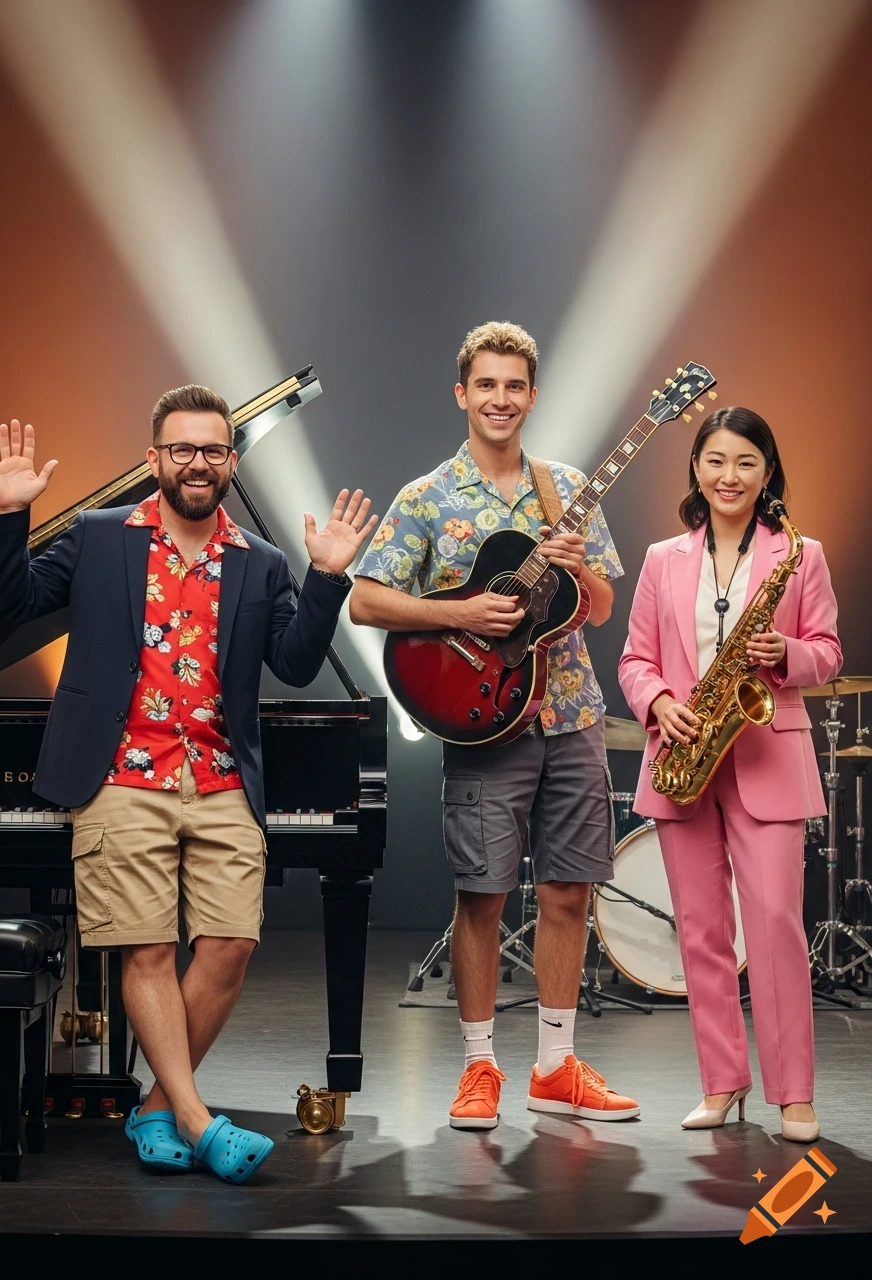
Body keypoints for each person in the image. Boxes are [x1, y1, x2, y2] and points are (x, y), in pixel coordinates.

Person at [0, 385, 377, 1181]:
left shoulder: (260, 564)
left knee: (231, 944)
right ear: (154, 458)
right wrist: (8, 516)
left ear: (232, 461)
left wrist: (328, 577)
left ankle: (157, 1106)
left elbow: (295, 664)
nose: (198, 463)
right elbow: (13, 604)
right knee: (151, 949)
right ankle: (196, 1121)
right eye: (182, 449)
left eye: (213, 450)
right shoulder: (99, 539)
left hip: (222, 778)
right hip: (119, 776)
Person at [350, 321, 640, 1130]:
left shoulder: (566, 487)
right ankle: (480, 1069)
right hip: (484, 723)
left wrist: (579, 567)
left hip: (574, 714)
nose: (501, 399)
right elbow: (368, 598)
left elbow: (604, 607)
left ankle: (555, 1065)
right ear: (462, 394)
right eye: (487, 384)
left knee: (567, 892)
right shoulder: (426, 497)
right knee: (480, 896)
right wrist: (460, 610)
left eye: (515, 386)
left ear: (532, 397)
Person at [618, 406, 841, 1142]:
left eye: (745, 462)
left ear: (768, 472)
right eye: (715, 460)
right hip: (685, 756)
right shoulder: (660, 558)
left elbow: (829, 654)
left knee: (776, 928)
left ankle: (794, 1095)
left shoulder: (799, 555)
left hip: (767, 751)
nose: (729, 475)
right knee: (701, 933)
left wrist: (789, 655)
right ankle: (722, 1084)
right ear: (696, 470)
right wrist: (658, 702)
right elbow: (635, 659)